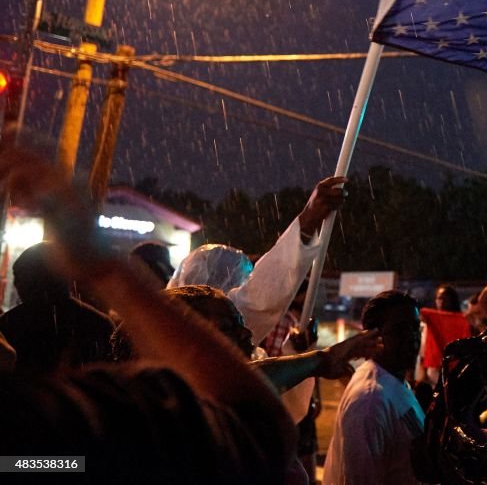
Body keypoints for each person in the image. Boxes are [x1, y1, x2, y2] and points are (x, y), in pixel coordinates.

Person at [0, 141, 296, 483]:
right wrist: (106, 269)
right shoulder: (88, 430)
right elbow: (257, 427)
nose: (244, 336)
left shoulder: (42, 441)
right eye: (227, 328)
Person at [168, 175, 346, 344]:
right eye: (229, 324)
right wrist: (308, 218)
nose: (245, 332)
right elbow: (261, 298)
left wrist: (296, 354)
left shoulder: (161, 329)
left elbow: (261, 296)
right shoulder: (166, 337)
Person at [323, 290, 424, 485]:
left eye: (415, 327)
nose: (412, 337)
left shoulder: (394, 381)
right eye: (399, 330)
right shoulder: (370, 401)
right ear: (372, 337)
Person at [0, 242, 115, 374]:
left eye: (18, 278)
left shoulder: (11, 323)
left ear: (31, 279)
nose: (16, 285)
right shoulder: (99, 323)